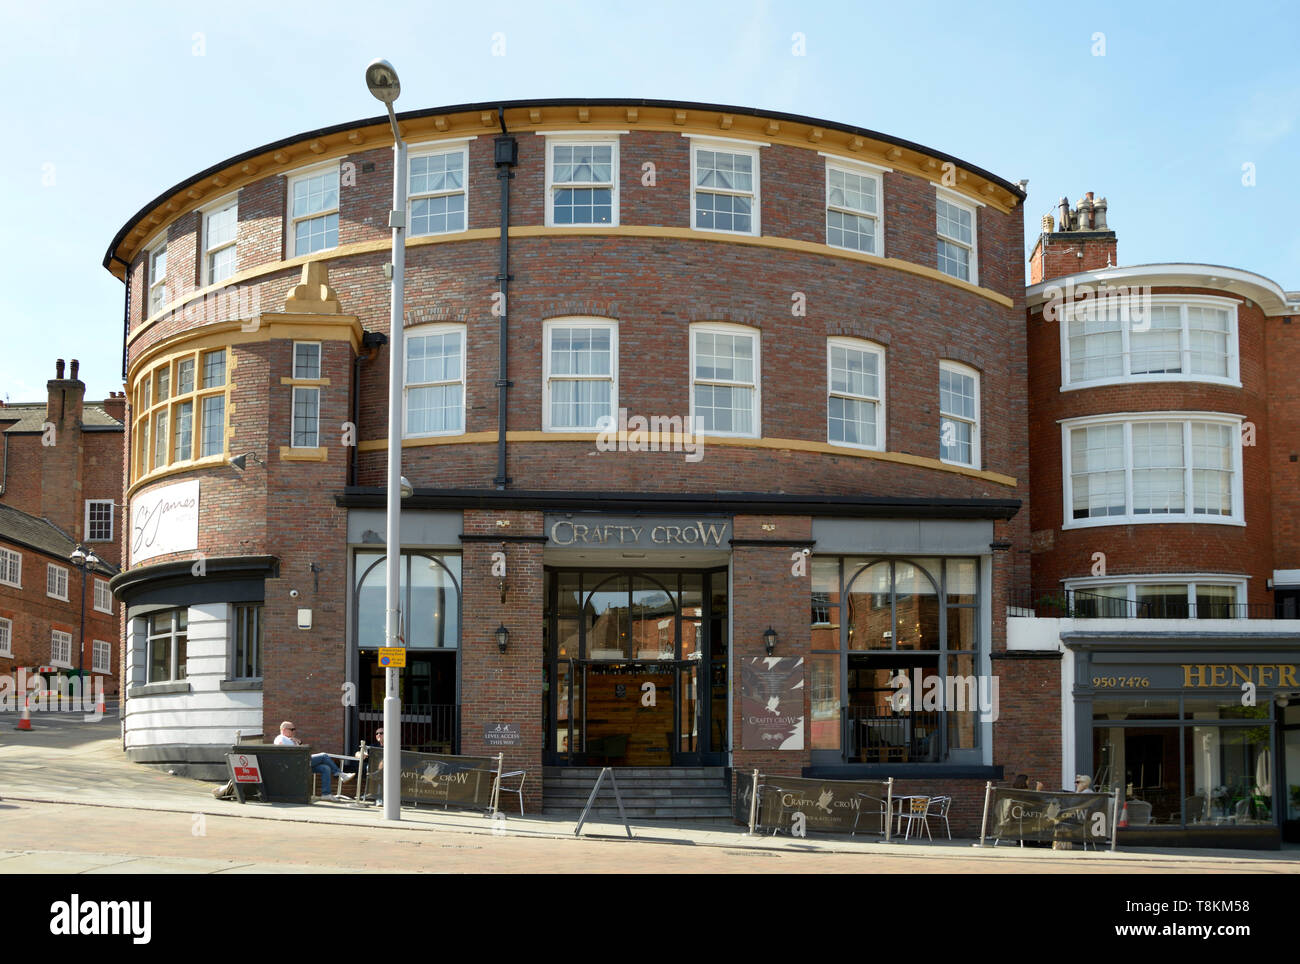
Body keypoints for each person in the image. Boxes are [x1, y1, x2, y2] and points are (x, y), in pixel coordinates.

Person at [275, 721, 354, 798]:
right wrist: (295, 745)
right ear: (284, 730)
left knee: (325, 768)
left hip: (301, 762)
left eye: (294, 729)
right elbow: (279, 745)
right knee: (324, 755)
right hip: (296, 763)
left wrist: (298, 743)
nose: (294, 732)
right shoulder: (281, 738)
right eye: (292, 729)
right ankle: (340, 774)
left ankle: (326, 794)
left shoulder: (290, 739)